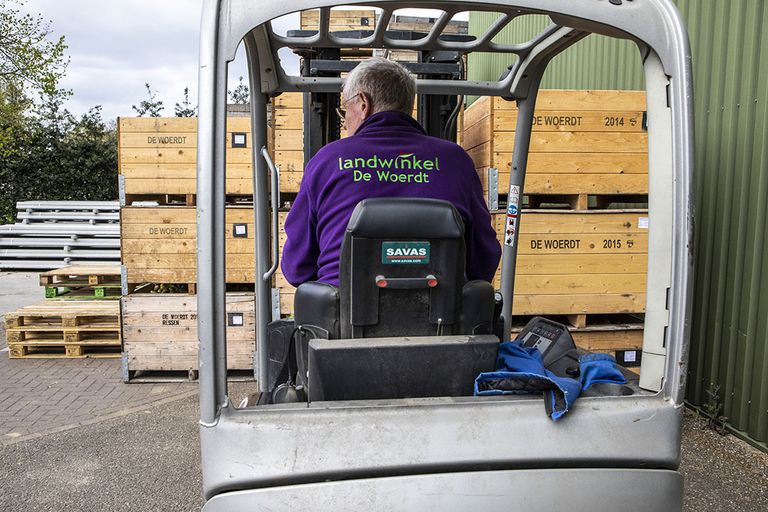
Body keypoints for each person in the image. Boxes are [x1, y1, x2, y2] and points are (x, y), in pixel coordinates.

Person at [281, 57, 501, 287]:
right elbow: (483, 261)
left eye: (345, 109)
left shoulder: (326, 161)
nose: (344, 122)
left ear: (363, 103)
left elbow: (297, 268)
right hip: (443, 318)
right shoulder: (456, 161)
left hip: (340, 318)